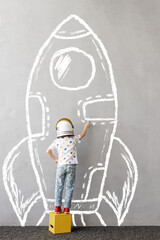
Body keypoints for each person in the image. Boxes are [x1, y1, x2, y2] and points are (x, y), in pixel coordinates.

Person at [46, 118, 90, 214]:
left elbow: (48, 151)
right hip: (72, 166)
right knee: (69, 187)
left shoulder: (56, 141)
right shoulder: (73, 139)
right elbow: (82, 135)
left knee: (59, 186)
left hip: (61, 166)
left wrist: (55, 159)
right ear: (70, 129)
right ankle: (66, 209)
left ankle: (57, 207)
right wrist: (86, 127)